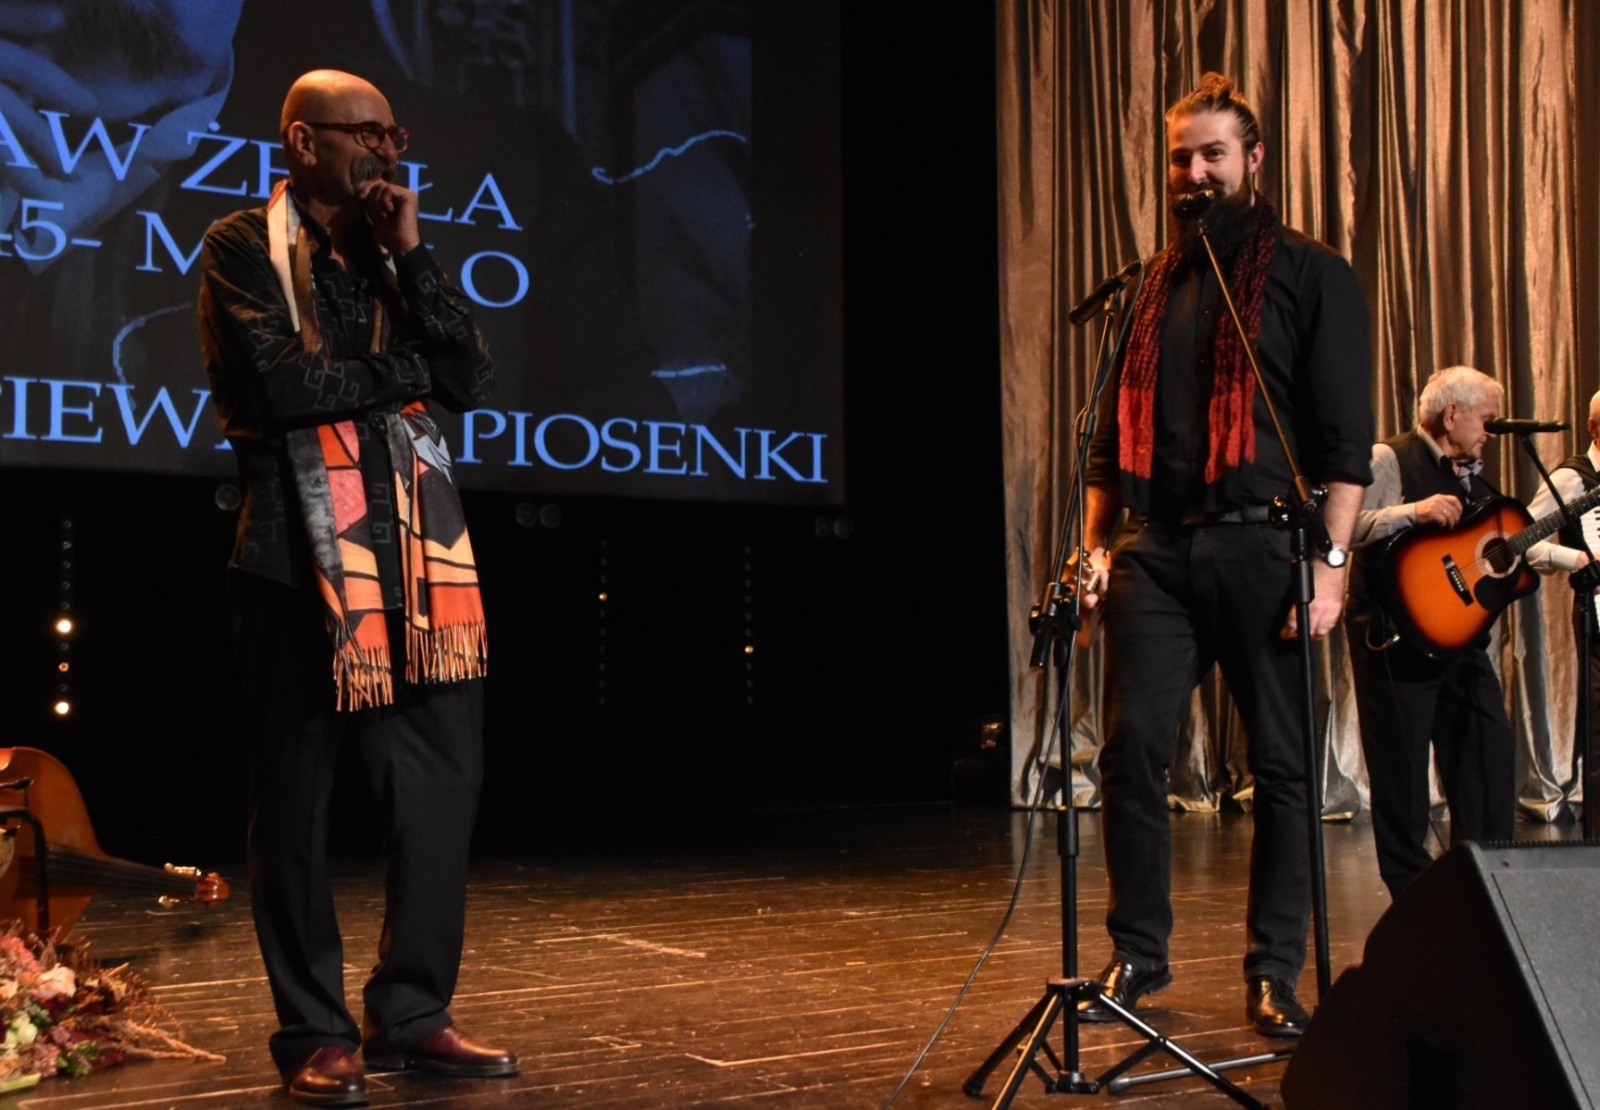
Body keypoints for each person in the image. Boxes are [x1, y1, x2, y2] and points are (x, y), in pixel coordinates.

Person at [197, 69, 516, 1107]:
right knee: (296, 809)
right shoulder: (242, 246)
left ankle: (414, 1014)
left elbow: (469, 377)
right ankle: (315, 1033)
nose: (385, 151)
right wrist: (407, 376)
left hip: (421, 567)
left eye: (392, 134)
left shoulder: (389, 258)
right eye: (364, 133)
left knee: (438, 795)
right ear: (303, 142)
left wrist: (411, 254)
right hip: (296, 560)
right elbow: (287, 388)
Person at [1074, 73, 1373, 1039]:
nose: (1195, 173)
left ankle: (1274, 970)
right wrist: (1092, 552)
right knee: (1131, 752)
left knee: (1283, 768)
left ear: (1252, 160)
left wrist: (1331, 568)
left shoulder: (1311, 274)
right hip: (1155, 550)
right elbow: (1106, 451)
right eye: (1181, 158)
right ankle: (1137, 954)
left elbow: (1345, 445)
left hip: (1265, 546)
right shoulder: (1148, 287)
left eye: (1213, 154)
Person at [1344, 366, 1516, 900]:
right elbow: (1344, 527)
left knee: (1489, 754)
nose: (1491, 432)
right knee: (1402, 778)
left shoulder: (1473, 475)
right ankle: (1414, 903)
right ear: (1451, 414)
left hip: (1460, 641)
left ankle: (1485, 886)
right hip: (1395, 641)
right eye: (1486, 419)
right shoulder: (1389, 458)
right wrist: (1413, 512)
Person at [1524, 390, 1600, 809]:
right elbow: (1521, 540)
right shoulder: (1574, 478)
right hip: (1596, 610)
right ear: (1593, 427)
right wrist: (1576, 558)